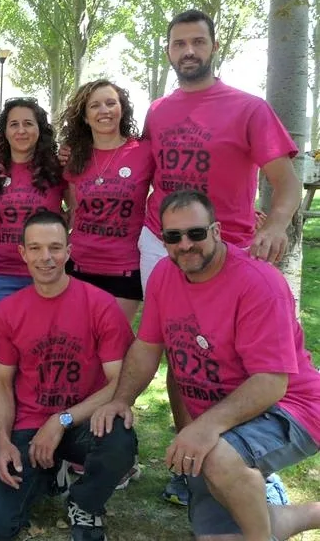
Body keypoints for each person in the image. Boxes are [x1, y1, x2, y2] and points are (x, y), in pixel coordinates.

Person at [91, 190, 320, 541]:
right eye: (173, 237)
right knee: (217, 537)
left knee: (217, 457)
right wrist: (122, 399)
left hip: (291, 407)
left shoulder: (258, 283)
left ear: (216, 231)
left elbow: (271, 382)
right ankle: (295, 515)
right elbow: (147, 348)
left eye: (195, 233)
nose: (185, 245)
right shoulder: (164, 275)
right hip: (227, 417)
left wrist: (204, 427)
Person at [139, 9, 301, 505]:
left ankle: (251, 460)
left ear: (213, 47)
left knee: (239, 362)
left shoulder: (250, 108)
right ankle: (187, 462)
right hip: (163, 242)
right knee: (181, 354)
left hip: (230, 248)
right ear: (169, 51)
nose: (188, 51)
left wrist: (275, 224)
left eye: (198, 41)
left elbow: (286, 182)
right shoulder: (157, 112)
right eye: (179, 43)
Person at [0, 210, 137, 541]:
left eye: (55, 247)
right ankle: (48, 473)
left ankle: (85, 503)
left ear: (69, 250)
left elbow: (118, 382)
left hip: (83, 421)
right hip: (29, 425)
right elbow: (1, 383)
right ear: (22, 253)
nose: (45, 257)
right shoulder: (9, 310)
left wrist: (61, 420)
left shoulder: (100, 304)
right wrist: (2, 441)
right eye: (35, 248)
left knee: (120, 438)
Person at [60, 80, 154, 323]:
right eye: (95, 106)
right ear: (85, 116)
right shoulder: (74, 156)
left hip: (124, 269)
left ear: (122, 108)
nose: (104, 110)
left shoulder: (144, 151)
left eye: (111, 103)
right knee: (78, 339)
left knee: (114, 341)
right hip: (78, 266)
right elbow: (75, 210)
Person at [0, 98, 65, 317]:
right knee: (6, 337)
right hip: (1, 275)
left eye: (28, 123)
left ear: (40, 129)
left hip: (46, 272)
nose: (21, 130)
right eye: (14, 124)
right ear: (5, 131)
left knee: (46, 336)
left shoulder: (57, 168)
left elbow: (77, 211)